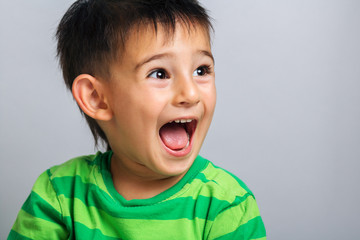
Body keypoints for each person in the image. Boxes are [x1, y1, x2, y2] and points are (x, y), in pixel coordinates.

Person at [8, 0, 266, 239]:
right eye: (159, 73)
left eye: (201, 70)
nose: (190, 93)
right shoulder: (59, 194)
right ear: (96, 98)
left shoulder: (227, 204)